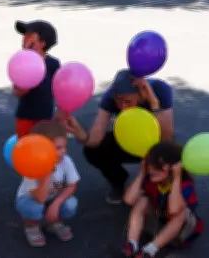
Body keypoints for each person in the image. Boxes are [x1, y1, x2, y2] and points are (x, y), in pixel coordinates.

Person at [62, 69, 174, 205]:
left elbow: (167, 141)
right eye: (119, 101)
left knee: (169, 155)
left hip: (154, 145)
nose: (123, 107)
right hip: (128, 142)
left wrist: (154, 104)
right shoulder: (109, 98)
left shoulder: (160, 89)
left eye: (128, 102)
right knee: (92, 151)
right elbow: (94, 140)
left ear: (140, 94)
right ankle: (118, 181)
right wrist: (78, 131)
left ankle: (160, 184)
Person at [117, 141, 203, 257]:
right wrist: (142, 173)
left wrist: (176, 178)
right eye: (150, 164)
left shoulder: (184, 184)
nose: (151, 169)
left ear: (173, 167)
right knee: (142, 200)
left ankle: (150, 250)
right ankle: (132, 244)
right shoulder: (150, 179)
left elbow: (174, 210)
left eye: (158, 166)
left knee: (181, 212)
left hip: (179, 233)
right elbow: (129, 200)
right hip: (157, 224)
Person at [15, 121, 80, 247]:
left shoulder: (66, 161)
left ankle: (55, 223)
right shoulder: (32, 166)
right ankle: (31, 226)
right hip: (32, 198)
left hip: (53, 197)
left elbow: (72, 185)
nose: (63, 152)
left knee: (71, 204)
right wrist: (46, 172)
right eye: (58, 148)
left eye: (64, 147)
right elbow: (40, 198)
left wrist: (56, 204)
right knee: (34, 208)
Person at [13, 20, 61, 137]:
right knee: (26, 149)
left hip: (45, 118)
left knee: (44, 149)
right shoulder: (22, 61)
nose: (24, 38)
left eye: (29, 35)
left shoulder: (53, 63)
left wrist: (61, 114)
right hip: (25, 118)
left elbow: (59, 91)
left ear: (42, 43)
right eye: (24, 35)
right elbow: (17, 91)